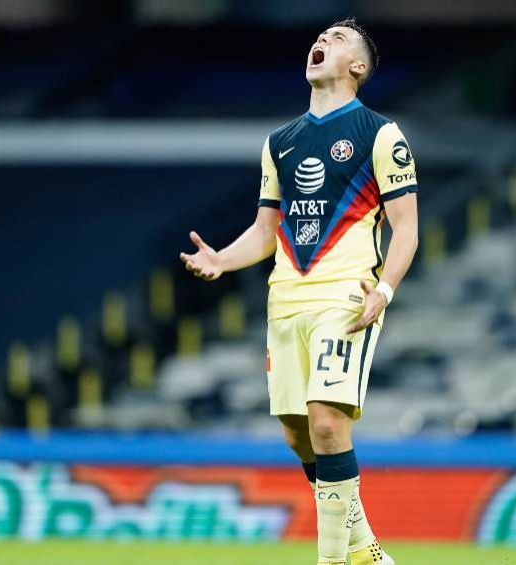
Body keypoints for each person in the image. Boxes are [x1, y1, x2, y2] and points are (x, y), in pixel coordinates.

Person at [180, 17, 418, 565]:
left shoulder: (381, 134)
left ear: (357, 66)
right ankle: (365, 549)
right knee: (298, 433)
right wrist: (221, 259)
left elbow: (406, 227)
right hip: (286, 298)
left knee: (327, 420)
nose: (323, 40)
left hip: (347, 295)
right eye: (321, 36)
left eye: (338, 39)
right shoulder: (280, 143)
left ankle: (331, 560)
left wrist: (384, 290)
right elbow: (266, 230)